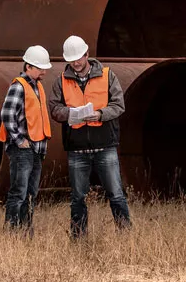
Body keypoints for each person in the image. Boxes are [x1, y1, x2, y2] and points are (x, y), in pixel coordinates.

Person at [47, 35, 132, 238]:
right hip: (77, 150)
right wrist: (71, 113)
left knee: (116, 194)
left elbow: (119, 105)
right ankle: (78, 239)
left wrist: (100, 114)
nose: (75, 63)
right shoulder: (61, 80)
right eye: (71, 59)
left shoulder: (107, 75)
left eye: (79, 58)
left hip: (105, 147)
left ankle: (126, 236)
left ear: (87, 54)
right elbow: (54, 109)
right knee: (77, 197)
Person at [0, 45, 54, 230]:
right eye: (40, 68)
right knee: (19, 193)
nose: (44, 72)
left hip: (37, 149)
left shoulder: (37, 86)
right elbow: (7, 115)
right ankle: (12, 232)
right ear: (28, 66)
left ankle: (25, 232)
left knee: (31, 194)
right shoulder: (18, 86)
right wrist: (19, 140)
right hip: (22, 150)